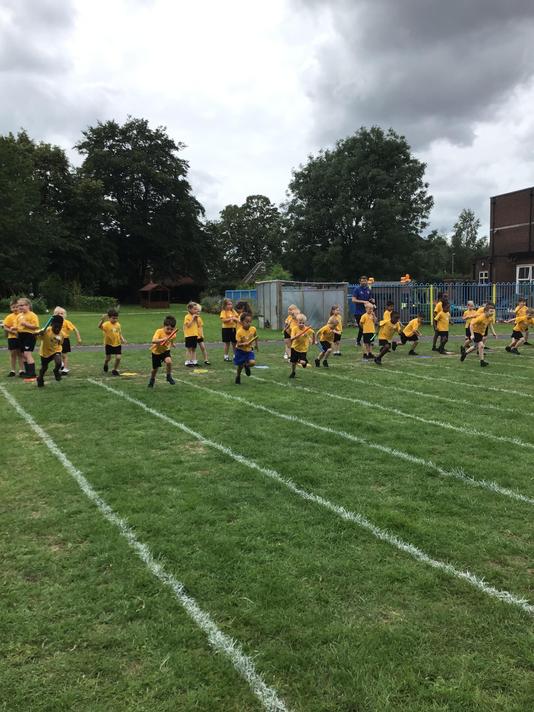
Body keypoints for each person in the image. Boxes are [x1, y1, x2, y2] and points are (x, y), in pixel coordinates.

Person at [460, 303, 495, 367]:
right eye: (490, 311)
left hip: (481, 333)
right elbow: (471, 324)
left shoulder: (490, 318)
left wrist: (493, 333)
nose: (492, 313)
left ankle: (465, 354)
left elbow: (490, 324)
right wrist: (472, 335)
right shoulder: (481, 317)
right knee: (481, 345)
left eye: (493, 311)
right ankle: (482, 362)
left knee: (475, 347)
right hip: (475, 332)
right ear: (485, 311)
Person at [148, 315, 177, 387]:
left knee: (169, 361)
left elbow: (171, 339)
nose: (169, 331)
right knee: (155, 369)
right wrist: (163, 339)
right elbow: (153, 341)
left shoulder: (173, 334)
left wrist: (172, 344)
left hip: (165, 350)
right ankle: (152, 379)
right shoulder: (159, 331)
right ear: (164, 326)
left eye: (171, 329)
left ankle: (168, 376)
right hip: (156, 352)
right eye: (168, 329)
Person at [36, 314, 64, 388]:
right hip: (45, 352)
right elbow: (37, 335)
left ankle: (56, 371)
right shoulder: (46, 331)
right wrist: (39, 334)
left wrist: (58, 350)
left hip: (55, 350)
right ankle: (40, 378)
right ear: (52, 325)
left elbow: (60, 343)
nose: (57, 329)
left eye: (59, 327)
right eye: (56, 327)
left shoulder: (61, 334)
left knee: (58, 362)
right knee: (44, 368)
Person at [16, 297, 40, 380]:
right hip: (21, 335)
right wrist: (14, 328)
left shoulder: (32, 315)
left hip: (29, 335)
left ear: (28, 306)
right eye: (19, 306)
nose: (20, 307)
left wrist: (26, 324)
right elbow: (18, 326)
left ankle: (32, 373)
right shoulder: (19, 315)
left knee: (27, 354)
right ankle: (27, 372)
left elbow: (36, 326)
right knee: (23, 354)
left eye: (22, 305)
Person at [53, 306, 81, 374]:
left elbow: (75, 330)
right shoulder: (53, 322)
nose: (60, 315)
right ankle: (61, 364)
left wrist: (79, 338)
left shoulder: (66, 322)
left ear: (65, 315)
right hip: (56, 340)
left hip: (65, 340)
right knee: (55, 354)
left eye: (62, 313)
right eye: (58, 313)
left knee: (64, 355)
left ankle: (65, 369)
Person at [98, 308, 126, 375]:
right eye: (113, 318)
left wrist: (122, 339)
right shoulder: (106, 324)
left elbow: (119, 333)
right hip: (109, 344)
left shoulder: (118, 324)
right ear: (109, 318)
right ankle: (106, 363)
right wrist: (102, 320)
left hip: (117, 343)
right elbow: (99, 326)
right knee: (108, 358)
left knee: (118, 357)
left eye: (116, 318)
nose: (115, 320)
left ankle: (114, 370)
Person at [234, 312, 258, 384]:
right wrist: (244, 344)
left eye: (250, 322)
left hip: (249, 350)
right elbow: (238, 345)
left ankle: (246, 366)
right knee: (240, 367)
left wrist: (256, 345)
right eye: (247, 322)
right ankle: (238, 376)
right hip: (240, 351)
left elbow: (255, 336)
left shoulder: (253, 329)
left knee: (252, 363)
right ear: (241, 322)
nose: (249, 323)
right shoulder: (239, 332)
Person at [2, 299, 24, 377]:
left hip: (21, 337)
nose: (15, 309)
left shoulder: (22, 315)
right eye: (13, 307)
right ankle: (13, 370)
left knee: (20, 354)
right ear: (11, 308)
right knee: (12, 354)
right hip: (12, 338)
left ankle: (21, 370)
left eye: (17, 307)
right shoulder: (9, 317)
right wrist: (12, 332)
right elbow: (5, 327)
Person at [289, 313, 315, 378]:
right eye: (300, 323)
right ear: (297, 322)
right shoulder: (294, 329)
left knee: (302, 362)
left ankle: (303, 362)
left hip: (303, 349)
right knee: (293, 363)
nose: (301, 324)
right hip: (294, 347)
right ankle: (293, 372)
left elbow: (313, 333)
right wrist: (297, 336)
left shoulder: (307, 329)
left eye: (303, 323)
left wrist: (313, 341)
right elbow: (291, 338)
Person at [351, 276, 375, 347]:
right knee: (362, 328)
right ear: (360, 282)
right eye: (362, 281)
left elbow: (370, 299)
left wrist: (372, 300)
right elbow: (353, 300)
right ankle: (358, 341)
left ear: (367, 281)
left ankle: (370, 341)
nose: (364, 282)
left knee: (370, 327)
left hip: (368, 312)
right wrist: (363, 301)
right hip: (358, 312)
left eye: (365, 281)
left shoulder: (368, 289)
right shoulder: (357, 289)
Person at [183, 301, 201, 367]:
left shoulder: (196, 317)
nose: (196, 310)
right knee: (189, 349)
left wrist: (196, 319)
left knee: (194, 349)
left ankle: (194, 361)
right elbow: (188, 325)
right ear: (190, 309)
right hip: (189, 335)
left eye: (196, 309)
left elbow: (198, 325)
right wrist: (193, 318)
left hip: (195, 334)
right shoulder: (187, 317)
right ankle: (188, 362)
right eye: (194, 309)